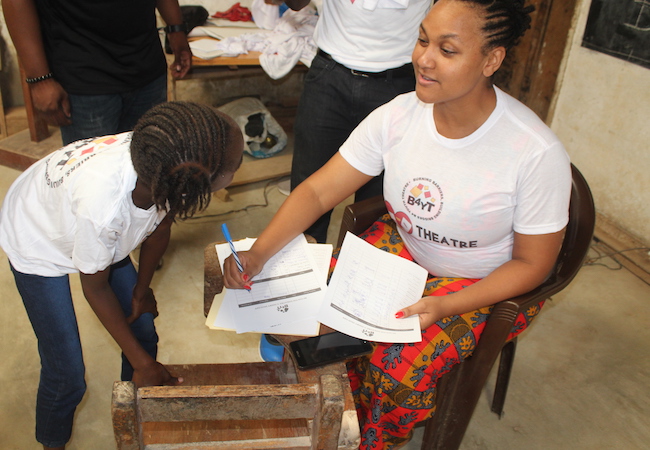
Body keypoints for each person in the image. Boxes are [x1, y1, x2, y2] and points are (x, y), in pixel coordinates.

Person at [223, 0, 572, 448]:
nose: (424, 59)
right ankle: (329, 411)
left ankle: (369, 438)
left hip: (483, 280)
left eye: (447, 50)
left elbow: (533, 264)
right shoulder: (398, 115)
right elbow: (316, 191)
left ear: (491, 60)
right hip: (407, 252)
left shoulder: (533, 151)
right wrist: (257, 253)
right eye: (423, 39)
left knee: (399, 365)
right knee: (294, 305)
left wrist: (446, 306)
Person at [0, 102, 244, 450]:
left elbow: (160, 227)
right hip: (37, 234)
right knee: (67, 374)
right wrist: (145, 364)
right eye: (234, 167)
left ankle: (134, 409)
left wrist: (142, 290)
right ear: (199, 180)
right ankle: (51, 443)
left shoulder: (166, 162)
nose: (239, 168)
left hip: (87, 221)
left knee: (141, 324)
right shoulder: (104, 209)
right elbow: (95, 289)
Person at [280, 0, 431, 244]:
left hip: (398, 81)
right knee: (309, 187)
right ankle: (303, 270)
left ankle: (357, 271)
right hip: (330, 74)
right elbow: (294, 4)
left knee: (377, 204)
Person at [1, 0, 192, 146]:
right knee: (93, 179)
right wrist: (39, 80)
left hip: (146, 64)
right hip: (83, 76)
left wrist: (176, 29)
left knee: (149, 170)